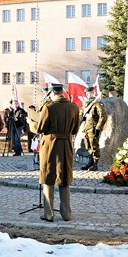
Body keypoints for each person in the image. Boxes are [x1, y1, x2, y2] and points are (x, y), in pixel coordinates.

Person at [37, 84, 80, 222]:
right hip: (66, 144)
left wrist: (31, 123)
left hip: (51, 145)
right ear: (62, 92)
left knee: (48, 177)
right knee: (65, 178)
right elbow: (75, 130)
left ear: (51, 93)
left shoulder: (49, 107)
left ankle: (49, 214)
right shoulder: (74, 107)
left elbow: (40, 128)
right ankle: (66, 213)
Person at [79, 86, 106, 171]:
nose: (87, 95)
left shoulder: (97, 103)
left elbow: (103, 116)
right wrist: (82, 117)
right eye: (86, 93)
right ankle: (90, 161)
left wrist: (98, 128)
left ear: (93, 93)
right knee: (87, 145)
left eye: (89, 93)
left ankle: (95, 164)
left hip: (93, 128)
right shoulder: (86, 104)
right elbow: (81, 113)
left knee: (94, 146)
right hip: (86, 128)